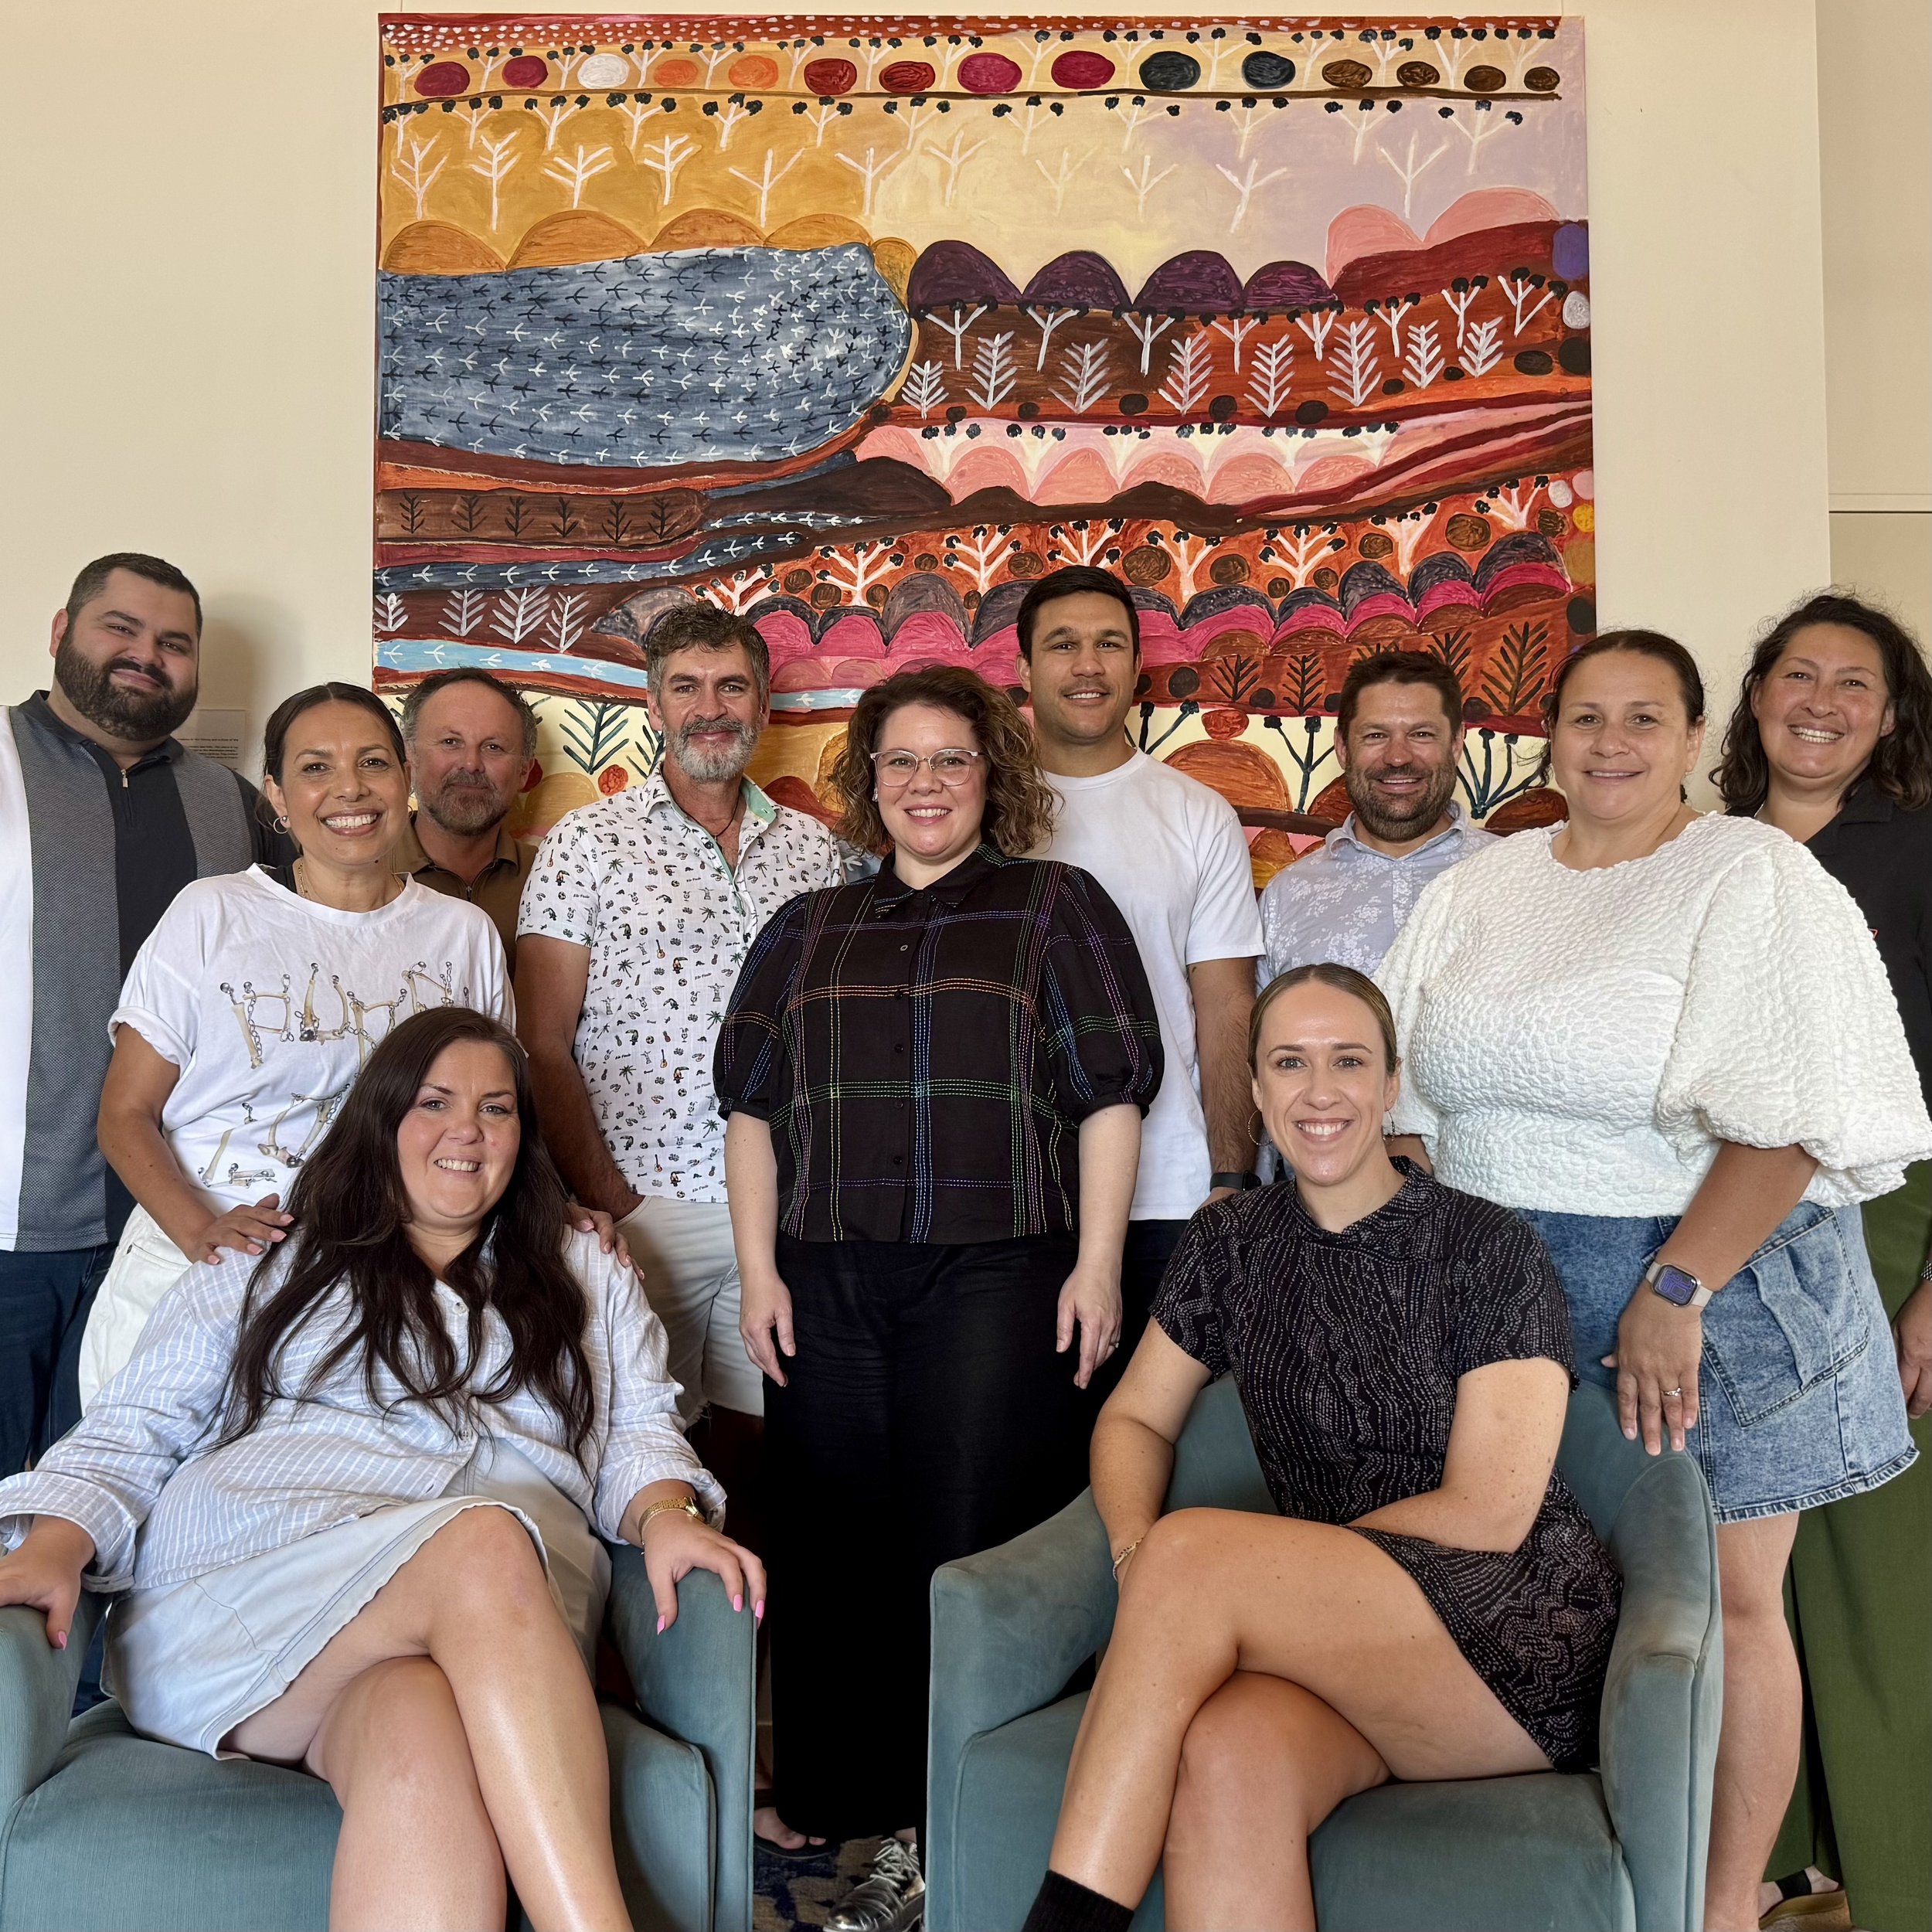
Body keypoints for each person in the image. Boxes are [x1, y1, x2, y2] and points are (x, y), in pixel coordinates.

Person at [1376, 630, 1932, 1932]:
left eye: (1643, 718)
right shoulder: (1484, 883)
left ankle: (1722, 1909)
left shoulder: (1752, 874)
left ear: (1692, 738)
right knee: (1546, 1604)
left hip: (1705, 1282)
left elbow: (1789, 1120)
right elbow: (1399, 1068)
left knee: (1725, 1609)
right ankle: (1587, 1894)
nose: (1611, 743)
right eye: (1584, 717)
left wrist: (1673, 1294)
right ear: (1547, 737)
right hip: (1505, 1292)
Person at [0, 1006, 760, 1930]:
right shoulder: (271, 1257)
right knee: (484, 1539)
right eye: (434, 1102)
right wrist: (57, 1538)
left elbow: (640, 1428)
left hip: (491, 1631)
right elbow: (137, 1425)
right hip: (254, 1597)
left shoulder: (583, 1267)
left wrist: (670, 1511)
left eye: (497, 1108)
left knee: (417, 1723)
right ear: (382, 1118)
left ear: (525, 1133)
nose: (467, 1131)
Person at [1022, 964, 1621, 1932]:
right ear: (1255, 1093)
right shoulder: (1232, 1245)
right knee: (1226, 1751)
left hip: (1511, 1636)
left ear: (1390, 1085)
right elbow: (1132, 1417)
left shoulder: (1486, 1244)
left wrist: (1257, 1580)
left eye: (1349, 1060)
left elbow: (1492, 1510)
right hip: (1342, 1649)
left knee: (1198, 1555)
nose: (1320, 1090)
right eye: (1288, 1063)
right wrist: (1141, 1556)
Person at [716, 665, 1161, 1929]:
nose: (925, 784)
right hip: (826, 1274)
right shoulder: (807, 929)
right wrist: (758, 1274)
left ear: (991, 777)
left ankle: (947, 1811)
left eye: (951, 760)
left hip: (1000, 1266)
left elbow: (1110, 1096)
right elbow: (751, 1111)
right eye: (901, 762)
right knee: (831, 1535)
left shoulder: (1053, 908)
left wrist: (1097, 1265)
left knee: (962, 1538)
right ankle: (834, 1800)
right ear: (869, 783)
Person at [515, 603, 843, 1855]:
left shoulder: (815, 857)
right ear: (653, 704)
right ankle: (623, 1757)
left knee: (772, 1484)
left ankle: (752, 1759)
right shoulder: (584, 846)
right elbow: (543, 1040)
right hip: (640, 1219)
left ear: (762, 705)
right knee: (636, 1480)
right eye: (689, 686)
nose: (713, 707)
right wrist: (607, 1198)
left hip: (784, 1224)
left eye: (734, 687)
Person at [79, 682, 512, 1405]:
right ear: (276, 795)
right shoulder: (212, 914)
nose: (350, 788)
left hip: (378, 1288)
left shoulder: (461, 933)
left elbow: (495, 1112)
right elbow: (125, 1112)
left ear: (405, 779)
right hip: (193, 1272)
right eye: (316, 768)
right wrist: (203, 1233)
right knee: (138, 1500)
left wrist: (556, 1209)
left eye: (373, 762)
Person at [1712, 591, 1932, 1932]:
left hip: (1889, 1225)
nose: (1825, 703)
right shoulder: (1704, 854)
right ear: (1755, 697)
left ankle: (1898, 1883)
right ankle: (1768, 1869)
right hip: (1722, 1230)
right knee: (1737, 1563)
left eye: (1860, 685)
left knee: (1875, 1571)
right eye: (1803, 674)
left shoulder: (1919, 853)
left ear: (1892, 717)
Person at [0, 553, 289, 1476]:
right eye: (119, 629)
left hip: (177, 1221)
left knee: (117, 1494)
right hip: (15, 1220)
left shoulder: (229, 804)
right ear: (60, 633)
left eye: (174, 643)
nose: (145, 656)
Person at [1016, 566, 1263, 1393]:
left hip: (1168, 1192)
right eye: (1063, 644)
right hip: (1017, 1195)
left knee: (1161, 1445)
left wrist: (1230, 1176)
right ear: (1023, 668)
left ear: (1134, 668)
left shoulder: (1195, 813)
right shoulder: (976, 810)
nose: (1088, 664)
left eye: (1109, 644)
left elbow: (1226, 1004)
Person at [1258, 648, 1493, 981]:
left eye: (1421, 734)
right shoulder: (1285, 897)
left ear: (1456, 743)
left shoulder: (1516, 876)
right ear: (1342, 747)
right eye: (1376, 736)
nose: (1397, 757)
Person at [393, 668, 540, 965]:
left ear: (524, 771)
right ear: (410, 758)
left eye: (493, 747)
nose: (471, 764)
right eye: (450, 742)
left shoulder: (556, 877)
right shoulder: (363, 871)